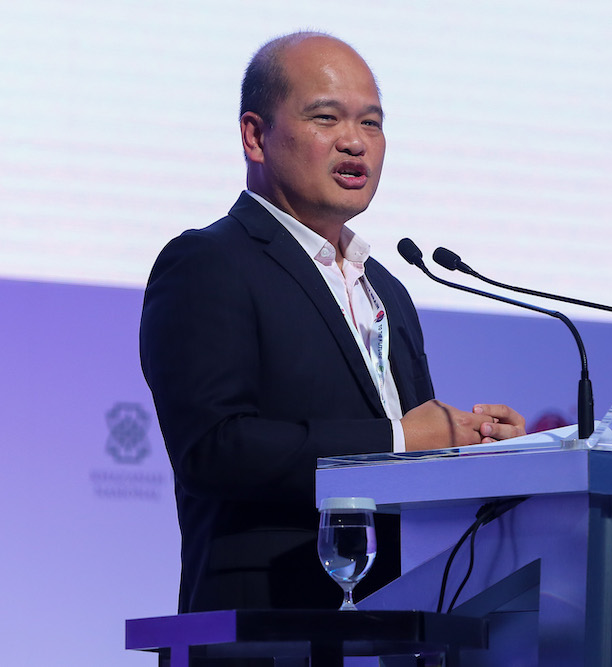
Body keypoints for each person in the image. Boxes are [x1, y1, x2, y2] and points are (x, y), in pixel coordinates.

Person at [139, 31, 526, 613]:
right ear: (255, 135)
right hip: (268, 625)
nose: (354, 142)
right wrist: (399, 440)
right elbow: (215, 450)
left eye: (371, 124)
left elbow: (410, 464)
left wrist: (472, 449)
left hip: (401, 621)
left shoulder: (387, 289)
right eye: (326, 118)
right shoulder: (208, 263)